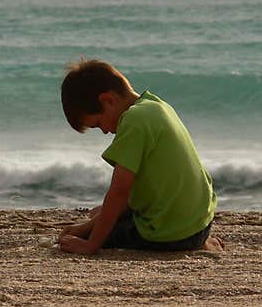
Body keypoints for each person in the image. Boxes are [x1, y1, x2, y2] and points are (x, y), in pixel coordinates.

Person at [58, 58, 223, 255]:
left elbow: (120, 192)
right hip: (200, 224)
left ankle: (189, 241)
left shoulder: (133, 121)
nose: (104, 131)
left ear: (108, 100)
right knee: (100, 213)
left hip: (167, 235)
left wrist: (90, 243)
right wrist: (91, 223)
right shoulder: (157, 106)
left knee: (80, 236)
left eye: (97, 124)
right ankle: (199, 241)